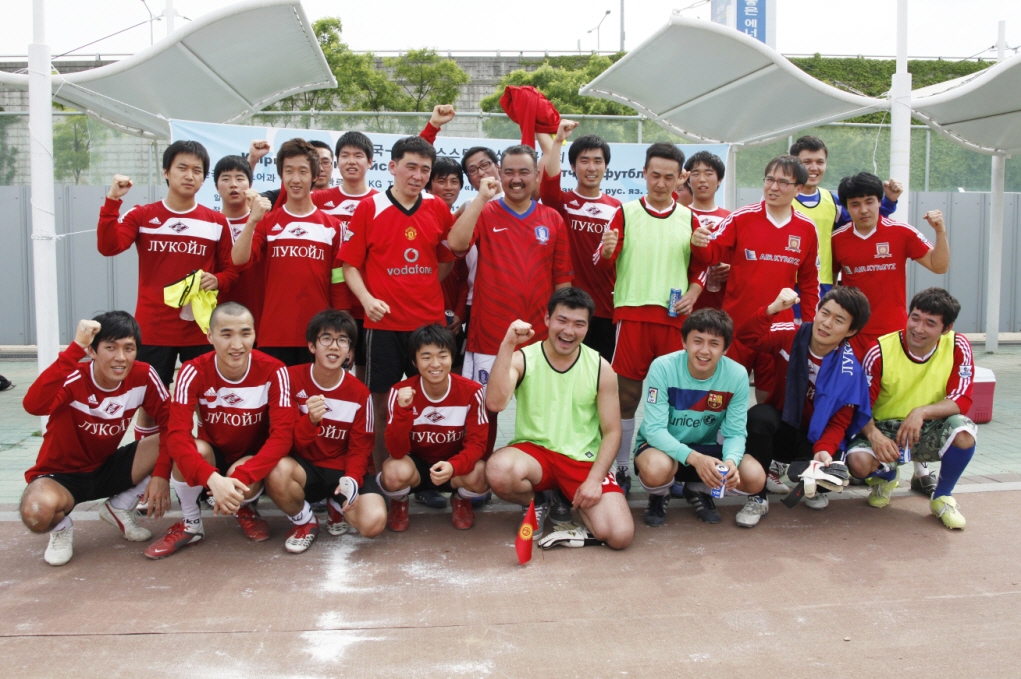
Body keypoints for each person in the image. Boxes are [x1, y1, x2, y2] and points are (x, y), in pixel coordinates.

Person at [341, 136, 489, 471]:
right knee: (381, 404)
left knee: (433, 402)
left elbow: (450, 252)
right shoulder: (370, 207)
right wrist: (368, 299)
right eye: (411, 166)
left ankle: (428, 477)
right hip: (383, 327)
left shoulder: (436, 207)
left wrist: (422, 285)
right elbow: (349, 265)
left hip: (429, 327)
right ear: (392, 167)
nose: (418, 175)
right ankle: (385, 478)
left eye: (425, 169)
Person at [97, 140, 237, 439]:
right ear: (166, 172)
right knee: (149, 403)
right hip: (154, 327)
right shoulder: (143, 215)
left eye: (197, 170)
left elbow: (231, 269)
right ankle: (145, 471)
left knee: (206, 400)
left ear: (203, 178)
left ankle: (203, 466)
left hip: (199, 329)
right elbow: (109, 247)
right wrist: (112, 201)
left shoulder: (215, 221)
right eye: (182, 168)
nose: (189, 176)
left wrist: (219, 280)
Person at [485, 289, 634, 550]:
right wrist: (507, 344)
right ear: (547, 320)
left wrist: (593, 480)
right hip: (535, 455)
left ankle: (566, 499)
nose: (569, 331)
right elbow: (495, 403)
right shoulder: (524, 359)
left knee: (619, 535)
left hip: (581, 460)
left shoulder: (601, 367)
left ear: (588, 327)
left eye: (579, 324)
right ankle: (537, 501)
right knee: (498, 469)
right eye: (562, 320)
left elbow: (611, 431)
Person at [145, 303, 296, 559]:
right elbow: (177, 436)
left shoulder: (274, 370)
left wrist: (239, 480)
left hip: (248, 465)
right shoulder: (192, 371)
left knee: (241, 470)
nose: (237, 344)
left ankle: (243, 508)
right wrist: (214, 480)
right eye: (226, 334)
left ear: (254, 335)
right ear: (209, 336)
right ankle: (192, 525)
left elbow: (282, 437)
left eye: (245, 334)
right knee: (192, 449)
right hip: (211, 460)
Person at [20, 313, 172, 566]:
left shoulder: (143, 375)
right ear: (92, 350)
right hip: (62, 476)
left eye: (129, 348)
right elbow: (34, 405)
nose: (120, 358)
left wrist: (160, 475)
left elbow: (172, 425)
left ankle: (120, 506)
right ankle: (61, 528)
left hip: (106, 467)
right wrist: (73, 349)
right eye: (110, 348)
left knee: (184, 441)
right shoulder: (74, 377)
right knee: (36, 513)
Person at [832, 173, 951, 495]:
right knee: (854, 398)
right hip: (855, 339)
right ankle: (868, 462)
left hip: (897, 337)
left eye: (869, 202)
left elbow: (938, 266)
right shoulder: (838, 239)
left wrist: (939, 230)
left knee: (908, 398)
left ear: (878, 202)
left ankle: (920, 466)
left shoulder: (900, 232)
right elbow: (830, 287)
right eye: (855, 204)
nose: (864, 210)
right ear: (847, 208)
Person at [597, 142, 703, 495]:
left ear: (679, 178)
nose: (660, 183)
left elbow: (702, 268)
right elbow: (603, 261)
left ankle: (670, 469)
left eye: (668, 176)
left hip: (674, 319)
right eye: (654, 175)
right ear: (644, 173)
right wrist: (608, 251)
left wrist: (694, 293)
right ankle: (623, 468)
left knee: (674, 399)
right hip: (632, 316)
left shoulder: (690, 217)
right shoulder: (625, 212)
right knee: (627, 398)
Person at [736, 286, 873, 526]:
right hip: (783, 427)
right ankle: (758, 497)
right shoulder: (792, 334)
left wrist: (823, 450)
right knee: (758, 416)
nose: (826, 323)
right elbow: (747, 336)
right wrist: (772, 309)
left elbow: (840, 422)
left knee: (833, 470)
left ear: (851, 330)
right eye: (824, 312)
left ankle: (814, 483)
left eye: (838, 320)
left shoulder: (851, 370)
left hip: (815, 437)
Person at [691, 155, 820, 407]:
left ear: (799, 189)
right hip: (736, 326)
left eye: (783, 182)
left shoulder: (807, 228)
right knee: (721, 396)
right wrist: (698, 243)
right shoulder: (741, 217)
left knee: (768, 398)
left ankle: (758, 447)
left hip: (777, 331)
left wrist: (809, 328)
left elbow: (809, 283)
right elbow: (711, 254)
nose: (773, 187)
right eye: (769, 179)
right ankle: (716, 446)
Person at [847, 288, 976, 529]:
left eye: (930, 323)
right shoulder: (880, 350)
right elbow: (859, 404)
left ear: (946, 328)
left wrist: (921, 412)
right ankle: (886, 477)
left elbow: (962, 400)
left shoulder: (958, 345)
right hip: (885, 429)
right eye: (915, 318)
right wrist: (874, 435)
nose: (918, 328)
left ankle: (942, 497)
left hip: (929, 427)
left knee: (964, 432)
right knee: (858, 463)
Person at [264, 310, 385, 553]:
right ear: (311, 345)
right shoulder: (289, 379)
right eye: (326, 338)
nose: (334, 346)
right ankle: (305, 520)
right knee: (276, 470)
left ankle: (336, 504)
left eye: (343, 341)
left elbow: (361, 448)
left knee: (374, 523)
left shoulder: (360, 393)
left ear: (349, 350)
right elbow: (283, 442)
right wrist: (310, 421)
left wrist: (351, 478)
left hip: (341, 470)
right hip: (305, 468)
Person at [633, 309, 762, 527]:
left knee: (755, 477)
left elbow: (736, 433)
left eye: (714, 343)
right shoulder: (663, 367)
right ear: (684, 342)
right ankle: (660, 493)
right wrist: (696, 459)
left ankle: (699, 489)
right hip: (662, 449)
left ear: (725, 349)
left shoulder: (737, 374)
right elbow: (654, 431)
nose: (704, 350)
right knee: (656, 469)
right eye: (697, 341)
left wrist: (730, 461)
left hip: (707, 450)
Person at [231, 138, 343, 366]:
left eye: (303, 171)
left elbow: (338, 284)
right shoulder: (267, 222)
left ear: (314, 175)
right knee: (277, 401)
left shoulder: (332, 226)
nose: (295, 179)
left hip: (318, 335)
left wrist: (339, 334)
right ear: (281, 175)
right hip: (274, 333)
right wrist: (252, 220)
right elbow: (238, 260)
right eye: (288, 171)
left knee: (315, 400)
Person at [379, 324, 490, 531]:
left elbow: (477, 445)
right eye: (426, 356)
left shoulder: (472, 391)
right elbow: (396, 451)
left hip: (453, 466)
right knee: (392, 472)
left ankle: (461, 500)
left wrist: (454, 466)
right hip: (417, 467)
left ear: (452, 357)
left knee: (482, 473)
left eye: (442, 355)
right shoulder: (400, 392)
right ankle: (400, 502)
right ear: (414, 361)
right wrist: (404, 412)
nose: (435, 364)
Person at [539, 120, 621, 362]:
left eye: (598, 161)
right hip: (567, 306)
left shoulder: (617, 209)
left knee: (598, 371)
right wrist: (557, 140)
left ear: (606, 166)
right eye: (584, 161)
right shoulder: (562, 202)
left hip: (605, 307)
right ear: (573, 166)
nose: (591, 167)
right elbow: (549, 184)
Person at [789, 135, 901, 298]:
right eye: (807, 162)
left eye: (820, 162)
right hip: (785, 283)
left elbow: (863, 222)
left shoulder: (833, 202)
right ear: (794, 164)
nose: (814, 168)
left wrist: (889, 201)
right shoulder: (780, 200)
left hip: (821, 284)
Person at [214, 155, 266, 331]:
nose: (233, 184)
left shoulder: (264, 222)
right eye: (226, 179)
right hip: (219, 314)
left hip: (258, 312)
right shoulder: (210, 223)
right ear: (216, 186)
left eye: (240, 178)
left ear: (250, 186)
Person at [685, 151, 732, 313]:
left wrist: (732, 269)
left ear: (719, 180)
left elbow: (743, 260)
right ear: (688, 181)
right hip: (685, 303)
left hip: (721, 305)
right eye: (696, 174)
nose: (702, 179)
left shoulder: (731, 219)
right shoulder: (680, 215)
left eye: (709, 173)